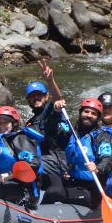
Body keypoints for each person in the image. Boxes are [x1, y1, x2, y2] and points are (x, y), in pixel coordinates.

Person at [46, 98, 112, 209]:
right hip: (71, 181)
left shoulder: (102, 136)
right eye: (86, 111)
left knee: (55, 192)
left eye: (93, 113)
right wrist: (56, 112)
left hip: (92, 189)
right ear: (80, 113)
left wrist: (97, 168)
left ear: (98, 118)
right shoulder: (71, 131)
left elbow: (107, 159)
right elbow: (52, 133)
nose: (89, 115)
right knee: (52, 188)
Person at [24, 60, 72, 189]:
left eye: (39, 95)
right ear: (28, 100)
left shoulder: (51, 108)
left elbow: (58, 100)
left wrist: (50, 81)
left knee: (29, 165)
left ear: (46, 97)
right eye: (32, 96)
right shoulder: (30, 122)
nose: (36, 98)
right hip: (41, 158)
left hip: (56, 159)